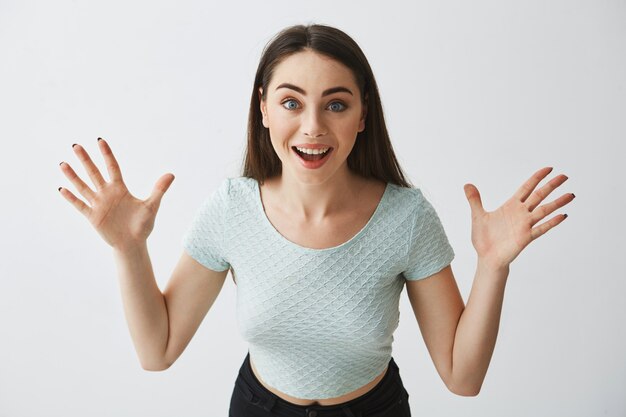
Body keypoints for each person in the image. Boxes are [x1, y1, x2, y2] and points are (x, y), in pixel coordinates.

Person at [58, 23, 575, 417]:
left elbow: (463, 378)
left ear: (362, 115)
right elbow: (158, 351)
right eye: (290, 102)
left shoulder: (407, 217)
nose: (312, 127)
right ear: (263, 109)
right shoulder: (231, 208)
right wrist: (128, 249)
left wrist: (492, 266)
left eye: (336, 104)